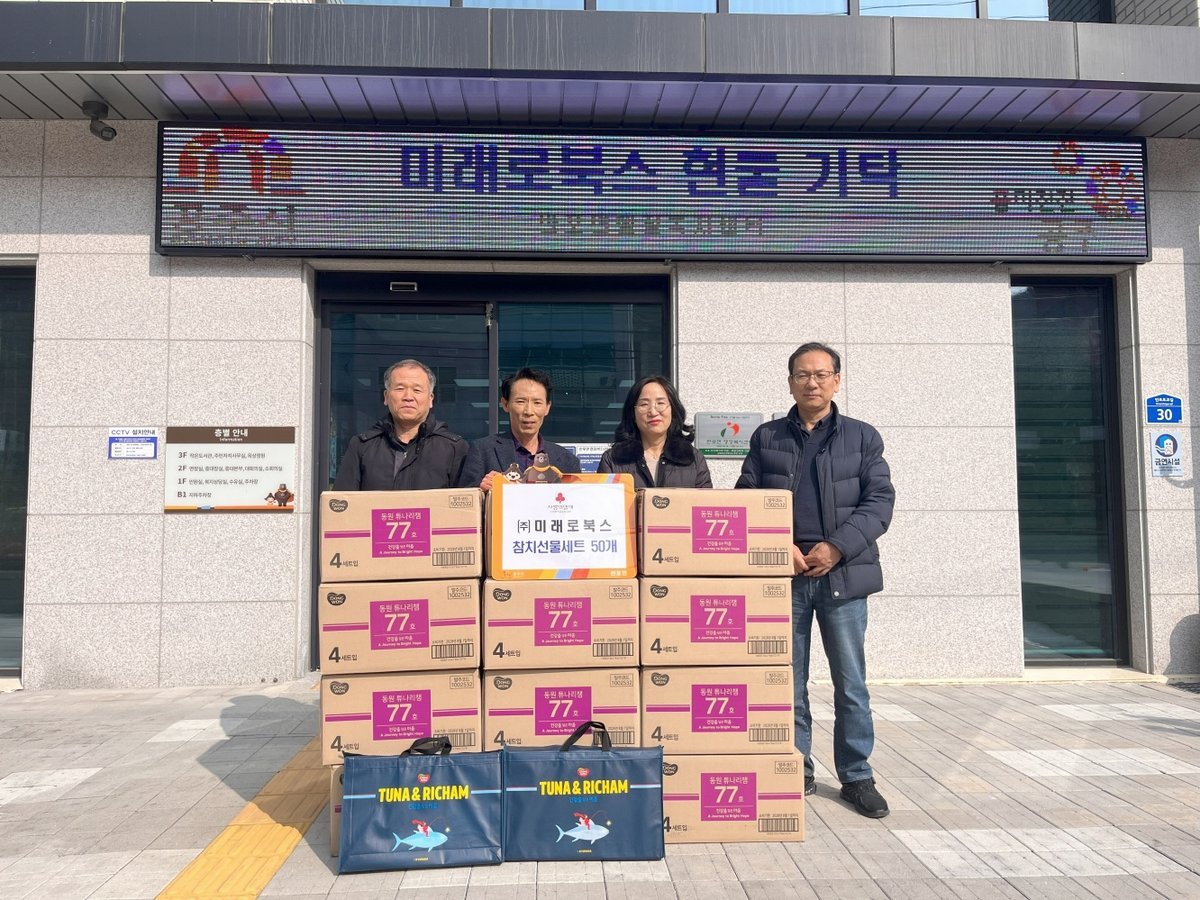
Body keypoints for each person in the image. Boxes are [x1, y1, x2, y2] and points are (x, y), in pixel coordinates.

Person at [735, 342, 895, 819]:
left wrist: (837, 546)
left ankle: (857, 775)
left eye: (822, 374)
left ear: (836, 381)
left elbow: (879, 502)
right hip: (785, 578)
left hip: (842, 576)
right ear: (790, 382)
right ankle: (796, 766)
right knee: (787, 680)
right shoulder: (767, 437)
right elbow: (746, 497)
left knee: (851, 683)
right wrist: (777, 542)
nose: (812, 383)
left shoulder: (862, 437)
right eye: (803, 375)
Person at [333, 359, 468, 491]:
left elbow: (466, 502)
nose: (408, 397)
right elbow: (342, 501)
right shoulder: (362, 446)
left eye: (417, 390)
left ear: (430, 399)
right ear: (386, 397)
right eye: (400, 388)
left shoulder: (454, 448)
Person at [458, 367, 581, 491]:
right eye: (520, 401)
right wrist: (481, 489)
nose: (529, 411)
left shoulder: (567, 460)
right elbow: (466, 498)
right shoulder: (482, 450)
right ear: (505, 404)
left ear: (547, 407)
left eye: (537, 403)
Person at [596, 376, 712, 488]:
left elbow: (706, 500)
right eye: (644, 404)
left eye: (660, 403)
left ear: (673, 410)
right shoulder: (612, 460)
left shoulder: (694, 459)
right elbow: (604, 500)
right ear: (633, 414)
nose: (653, 412)